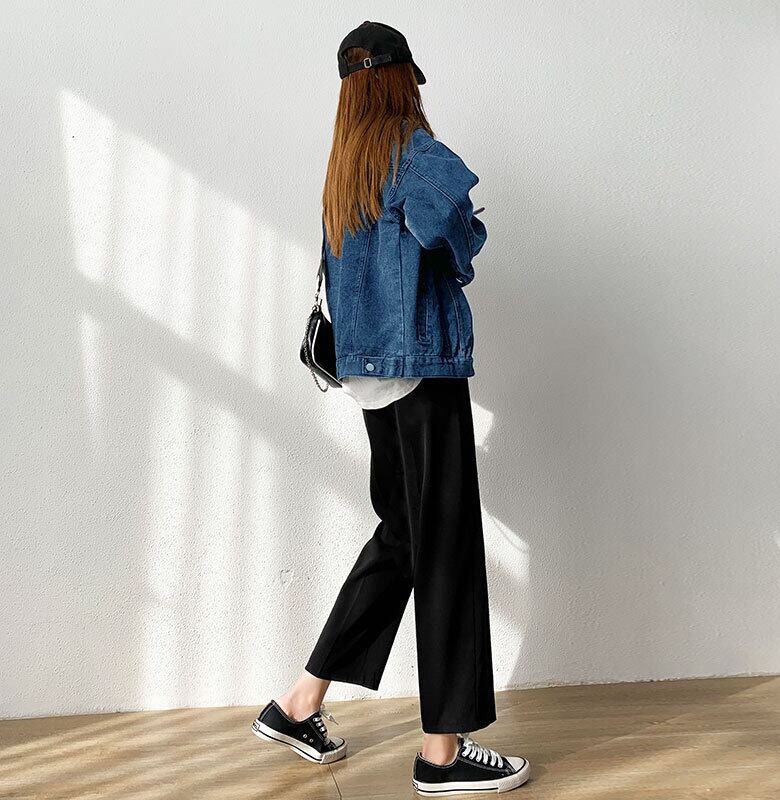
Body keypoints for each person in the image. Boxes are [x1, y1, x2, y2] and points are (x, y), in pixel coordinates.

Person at [252, 21, 530, 796]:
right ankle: (442, 754)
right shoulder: (413, 151)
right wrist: (468, 235)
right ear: (402, 79)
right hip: (423, 373)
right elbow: (449, 229)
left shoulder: (344, 168)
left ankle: (297, 703)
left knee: (406, 536)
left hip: (371, 379)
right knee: (445, 548)